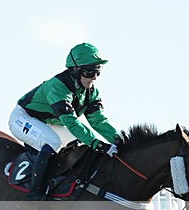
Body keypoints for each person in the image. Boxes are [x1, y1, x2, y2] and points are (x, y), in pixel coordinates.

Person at [9, 42, 119, 201]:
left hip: (51, 122)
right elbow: (72, 122)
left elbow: (98, 121)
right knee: (52, 141)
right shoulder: (58, 87)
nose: (94, 77)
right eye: (89, 72)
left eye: (97, 72)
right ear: (75, 70)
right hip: (23, 118)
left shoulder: (91, 92)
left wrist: (117, 139)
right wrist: (97, 143)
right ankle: (35, 193)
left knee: (78, 144)